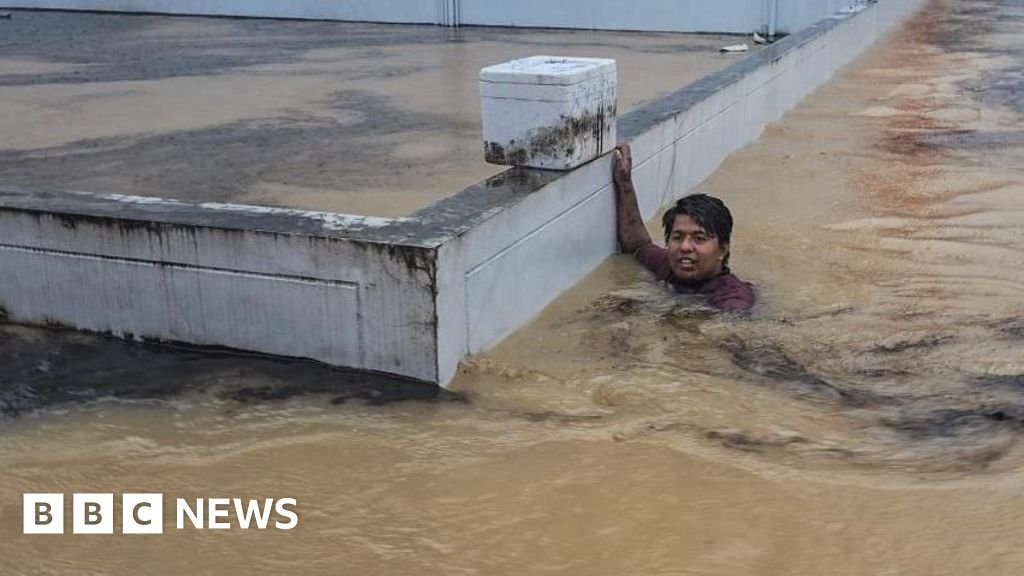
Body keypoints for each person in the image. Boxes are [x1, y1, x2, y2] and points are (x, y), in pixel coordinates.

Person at [612, 143, 755, 311]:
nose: (685, 247)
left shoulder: (733, 301)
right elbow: (638, 245)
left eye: (699, 238)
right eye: (677, 237)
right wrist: (624, 181)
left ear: (722, 250)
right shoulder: (669, 267)